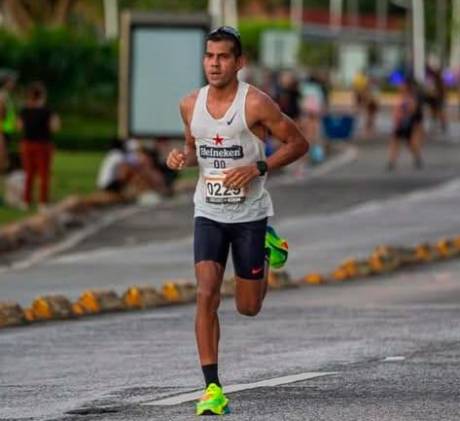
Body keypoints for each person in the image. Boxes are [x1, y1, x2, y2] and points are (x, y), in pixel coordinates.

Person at [166, 26, 309, 416]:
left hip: (250, 215)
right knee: (206, 292)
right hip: (208, 212)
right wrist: (180, 158)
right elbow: (194, 149)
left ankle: (265, 246)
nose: (215, 63)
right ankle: (212, 387)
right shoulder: (189, 104)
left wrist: (258, 166)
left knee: (248, 307)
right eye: (210, 56)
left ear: (239, 62)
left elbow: (299, 143)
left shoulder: (256, 105)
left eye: (223, 57)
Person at [17, 81, 60, 210]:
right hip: (43, 144)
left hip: (27, 144)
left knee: (29, 174)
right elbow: (55, 127)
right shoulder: (47, 110)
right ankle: (43, 202)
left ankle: (26, 201)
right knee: (44, 174)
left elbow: (19, 126)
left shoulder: (24, 110)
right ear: (42, 95)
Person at [387, 79, 424, 170]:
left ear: (407, 88)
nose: (400, 87)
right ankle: (391, 161)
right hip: (399, 124)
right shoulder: (400, 97)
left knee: (410, 143)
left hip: (406, 124)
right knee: (395, 142)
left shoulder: (409, 98)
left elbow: (413, 110)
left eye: (402, 85)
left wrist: (404, 113)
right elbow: (396, 111)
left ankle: (417, 157)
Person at [0, 69, 18, 173]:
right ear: (5, 82)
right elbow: (1, 111)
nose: (13, 84)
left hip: (6, 128)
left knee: (4, 150)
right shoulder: (2, 95)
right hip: (2, 128)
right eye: (11, 82)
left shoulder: (6, 95)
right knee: (2, 151)